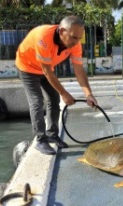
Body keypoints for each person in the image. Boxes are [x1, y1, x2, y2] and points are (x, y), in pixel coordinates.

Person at [16, 15, 97, 155]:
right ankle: (41, 139)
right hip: (27, 68)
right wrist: (64, 93)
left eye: (79, 38)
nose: (76, 42)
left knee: (54, 100)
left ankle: (53, 134)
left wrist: (88, 94)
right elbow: (46, 71)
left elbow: (79, 70)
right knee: (37, 101)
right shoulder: (44, 38)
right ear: (61, 31)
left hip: (47, 69)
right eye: (73, 37)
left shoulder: (75, 44)